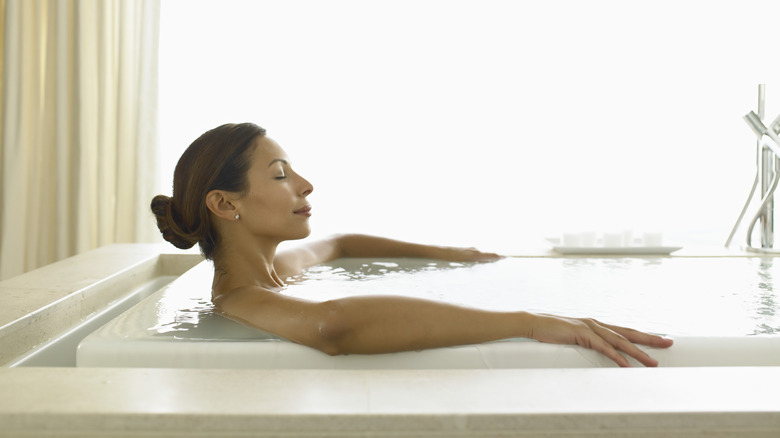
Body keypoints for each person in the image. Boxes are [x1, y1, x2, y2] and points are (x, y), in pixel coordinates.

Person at [151, 122, 673, 367]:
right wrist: (529, 321)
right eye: (281, 174)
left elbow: (341, 243)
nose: (305, 185)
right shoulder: (240, 300)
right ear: (225, 204)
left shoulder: (278, 269)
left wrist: (451, 255)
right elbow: (332, 326)